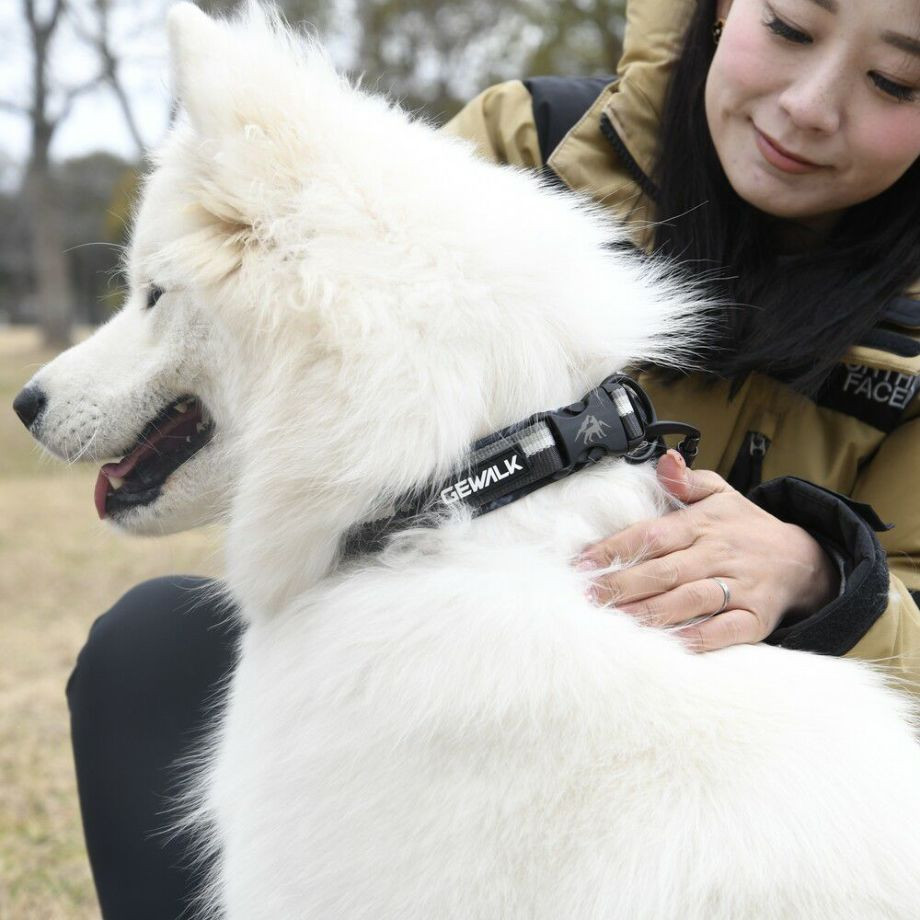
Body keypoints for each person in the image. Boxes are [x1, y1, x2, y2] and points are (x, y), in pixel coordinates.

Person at [67, 0, 920, 916]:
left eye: (895, 80)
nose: (809, 107)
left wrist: (828, 577)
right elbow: (307, 378)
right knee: (155, 647)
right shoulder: (532, 147)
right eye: (789, 28)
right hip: (473, 671)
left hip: (758, 766)